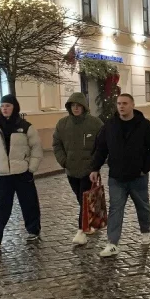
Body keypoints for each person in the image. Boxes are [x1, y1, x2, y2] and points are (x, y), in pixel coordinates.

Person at [90, 93, 150, 258]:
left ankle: (145, 232)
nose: (121, 106)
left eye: (125, 103)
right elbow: (101, 149)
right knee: (115, 209)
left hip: (138, 177)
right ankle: (112, 243)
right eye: (119, 103)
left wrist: (144, 168)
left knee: (142, 206)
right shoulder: (110, 126)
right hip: (116, 177)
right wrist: (94, 168)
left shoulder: (144, 125)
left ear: (132, 105)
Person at [0, 94, 43, 250]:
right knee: (0, 205)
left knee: (29, 203)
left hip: (22, 172)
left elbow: (36, 148)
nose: (5, 109)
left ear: (14, 107)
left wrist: (31, 168)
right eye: (2, 106)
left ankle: (33, 229)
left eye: (7, 105)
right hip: (2, 174)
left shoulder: (25, 126)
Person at [52, 92, 103, 245]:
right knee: (82, 200)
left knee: (84, 198)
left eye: (78, 106)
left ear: (84, 107)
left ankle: (81, 230)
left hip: (89, 171)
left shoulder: (95, 123)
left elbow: (103, 144)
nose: (76, 108)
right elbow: (57, 144)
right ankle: (90, 224)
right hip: (71, 169)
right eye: (73, 106)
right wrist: (63, 161)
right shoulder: (63, 124)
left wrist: (96, 164)